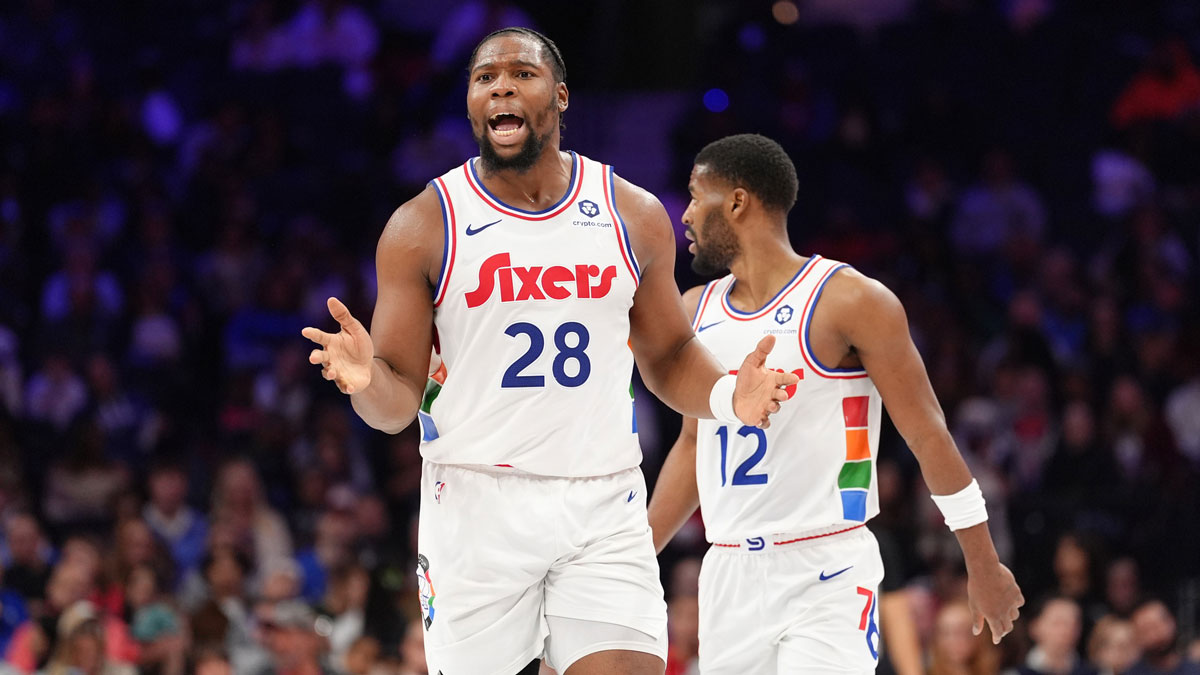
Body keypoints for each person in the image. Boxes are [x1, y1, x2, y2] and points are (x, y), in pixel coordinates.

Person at [301, 27, 795, 675]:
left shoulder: (633, 215)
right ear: (474, 106)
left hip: (602, 500)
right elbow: (394, 404)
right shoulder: (423, 225)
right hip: (475, 505)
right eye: (485, 77)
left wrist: (731, 393)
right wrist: (367, 379)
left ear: (560, 97)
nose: (502, 83)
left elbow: (670, 354)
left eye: (522, 74)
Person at [647, 133, 1024, 673]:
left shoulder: (850, 299)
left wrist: (982, 561)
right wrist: (636, 560)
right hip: (728, 571)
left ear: (736, 201)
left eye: (693, 196)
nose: (682, 216)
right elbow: (691, 444)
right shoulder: (693, 309)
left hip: (826, 566)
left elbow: (927, 433)